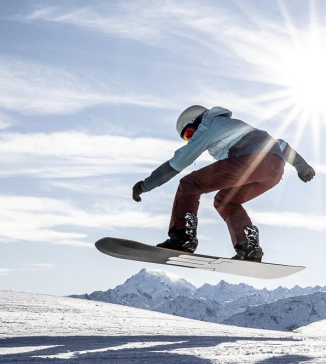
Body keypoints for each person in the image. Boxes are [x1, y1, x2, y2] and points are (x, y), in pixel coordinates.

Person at [132, 105, 315, 261]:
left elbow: (178, 162)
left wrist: (144, 186)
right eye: (187, 137)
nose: (192, 139)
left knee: (190, 184)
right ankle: (247, 247)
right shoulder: (237, 126)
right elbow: (282, 145)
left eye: (189, 133)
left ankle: (182, 237)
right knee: (226, 201)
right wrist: (303, 168)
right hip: (274, 169)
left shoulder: (208, 125)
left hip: (250, 160)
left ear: (197, 121)